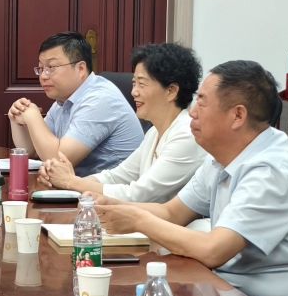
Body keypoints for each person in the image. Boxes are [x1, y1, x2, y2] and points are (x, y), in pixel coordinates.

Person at [100, 60, 288, 296]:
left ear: (238, 115)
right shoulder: (223, 156)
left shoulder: (271, 169)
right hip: (243, 283)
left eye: (202, 102)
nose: (192, 112)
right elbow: (172, 213)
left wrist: (139, 220)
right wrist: (112, 207)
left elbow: (213, 251)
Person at [41, 42, 205, 204]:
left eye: (142, 84)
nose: (134, 92)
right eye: (134, 83)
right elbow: (117, 176)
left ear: (171, 91)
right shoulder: (154, 132)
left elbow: (138, 194)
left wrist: (71, 182)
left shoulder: (186, 135)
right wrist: (64, 180)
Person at [7, 32, 143, 177]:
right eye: (41, 69)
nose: (43, 76)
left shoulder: (99, 99)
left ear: (80, 69)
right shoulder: (64, 100)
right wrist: (16, 119)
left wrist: (33, 116)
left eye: (51, 67)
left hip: (111, 189)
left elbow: (58, 161)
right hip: (81, 185)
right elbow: (32, 150)